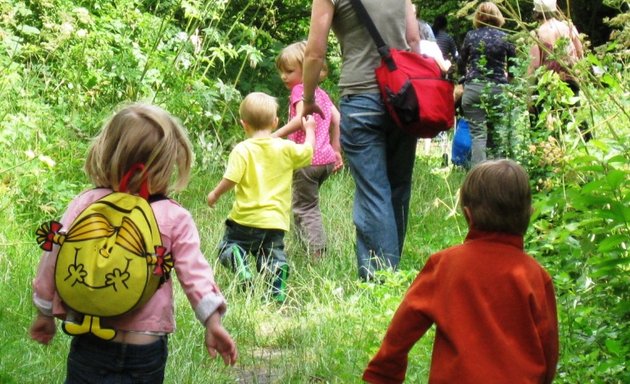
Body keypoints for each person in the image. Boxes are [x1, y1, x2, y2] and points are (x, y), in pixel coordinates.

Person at [29, 103, 237, 382]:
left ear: (107, 152)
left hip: (90, 340)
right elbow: (195, 274)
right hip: (144, 348)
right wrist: (212, 321)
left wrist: (44, 310)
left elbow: (54, 257)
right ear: (167, 163)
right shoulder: (173, 216)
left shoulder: (87, 204)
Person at [363, 159, 559, 384]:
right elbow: (548, 345)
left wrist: (384, 371)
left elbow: (405, 324)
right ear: (529, 213)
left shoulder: (445, 265)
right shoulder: (535, 276)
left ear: (468, 215)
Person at [301, 0, 421, 281]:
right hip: (403, 96)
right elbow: (413, 39)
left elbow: (315, 53)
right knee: (398, 186)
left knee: (373, 190)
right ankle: (391, 272)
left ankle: (382, 279)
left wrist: (308, 98)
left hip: (361, 96)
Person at [207, 92, 315, 302]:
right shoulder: (285, 147)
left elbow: (231, 179)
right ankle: (275, 290)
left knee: (227, 247)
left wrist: (215, 194)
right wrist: (309, 129)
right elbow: (308, 152)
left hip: (244, 220)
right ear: (275, 122)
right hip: (275, 222)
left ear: (243, 124)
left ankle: (237, 258)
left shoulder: (242, 150)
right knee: (270, 256)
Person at [273, 41, 343, 261]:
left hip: (307, 159)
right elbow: (338, 119)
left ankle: (316, 254)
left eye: (290, 71)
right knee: (305, 203)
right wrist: (336, 150)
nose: (284, 76)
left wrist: (272, 136)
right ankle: (306, 246)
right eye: (281, 71)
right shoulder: (321, 94)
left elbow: (299, 119)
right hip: (325, 160)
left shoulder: (300, 90)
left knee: (305, 207)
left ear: (307, 70)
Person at [458, 2, 516, 166]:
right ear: (498, 17)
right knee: (495, 135)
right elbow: (514, 66)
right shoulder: (506, 37)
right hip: (498, 90)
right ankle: (496, 177)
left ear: (478, 17)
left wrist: (463, 79)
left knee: (478, 135)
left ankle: (478, 178)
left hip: (474, 90)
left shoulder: (471, 36)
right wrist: (507, 81)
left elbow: (461, 63)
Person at [527, 0, 590, 140]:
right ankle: (587, 142)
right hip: (570, 75)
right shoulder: (569, 27)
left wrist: (529, 94)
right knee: (575, 111)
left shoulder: (537, 33)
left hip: (548, 82)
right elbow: (580, 52)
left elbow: (534, 65)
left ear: (536, 13)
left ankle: (548, 147)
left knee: (542, 117)